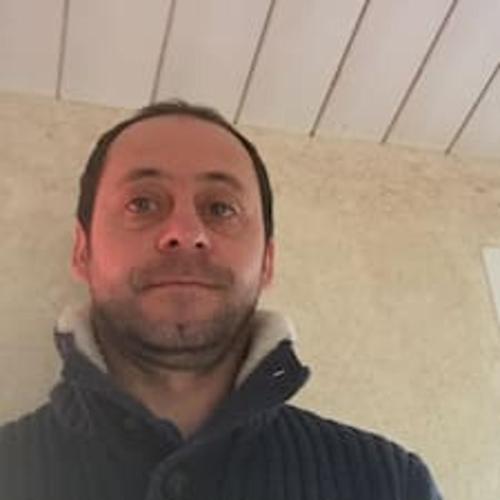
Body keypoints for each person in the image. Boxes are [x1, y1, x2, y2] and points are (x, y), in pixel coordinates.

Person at [0, 100, 442, 499]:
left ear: (267, 261)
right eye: (142, 204)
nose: (185, 233)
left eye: (220, 208)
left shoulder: (391, 485)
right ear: (82, 252)